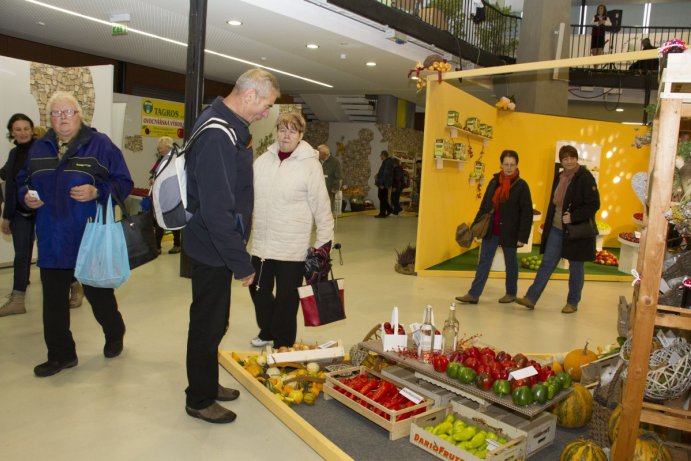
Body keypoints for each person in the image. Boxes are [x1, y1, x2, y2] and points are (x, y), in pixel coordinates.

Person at [183, 68, 280, 424]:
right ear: (251, 95)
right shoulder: (217, 135)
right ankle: (199, 398)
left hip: (214, 246)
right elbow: (216, 210)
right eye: (267, 105)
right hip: (212, 248)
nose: (266, 113)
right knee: (207, 323)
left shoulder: (224, 125)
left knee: (215, 320)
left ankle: (207, 383)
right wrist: (242, 263)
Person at [18, 91, 133, 377]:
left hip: (88, 236)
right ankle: (61, 355)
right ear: (49, 119)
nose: (62, 118)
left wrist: (98, 191)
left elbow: (124, 182)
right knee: (54, 302)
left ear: (79, 115)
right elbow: (22, 182)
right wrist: (25, 197)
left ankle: (114, 332)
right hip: (52, 237)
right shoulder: (38, 148)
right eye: (55, 114)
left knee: (99, 295)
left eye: (68, 112)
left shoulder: (100, 144)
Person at [249, 111, 333, 350]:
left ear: (301, 135)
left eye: (292, 130)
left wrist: (323, 246)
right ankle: (267, 330)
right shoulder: (263, 161)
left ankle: (283, 343)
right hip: (262, 245)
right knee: (258, 292)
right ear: (276, 131)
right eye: (282, 129)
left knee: (287, 300)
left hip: (292, 249)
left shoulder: (310, 166)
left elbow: (322, 208)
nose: (286, 135)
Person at [516, 145, 600, 314]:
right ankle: (531, 298)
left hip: (575, 231)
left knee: (576, 268)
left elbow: (594, 204)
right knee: (547, 263)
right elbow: (554, 203)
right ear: (561, 161)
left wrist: (574, 217)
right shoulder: (560, 176)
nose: (569, 162)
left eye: (572, 158)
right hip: (556, 228)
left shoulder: (585, 177)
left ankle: (572, 302)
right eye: (565, 159)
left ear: (577, 159)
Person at [456, 150, 533, 305]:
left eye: (512, 164)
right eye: (506, 164)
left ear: (516, 165)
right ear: (501, 165)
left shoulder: (522, 186)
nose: (509, 168)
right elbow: (484, 205)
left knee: (511, 263)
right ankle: (473, 294)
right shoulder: (494, 182)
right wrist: (475, 226)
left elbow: (527, 213)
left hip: (510, 232)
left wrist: (522, 237)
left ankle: (511, 293)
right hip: (491, 230)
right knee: (484, 261)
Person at [0, 114, 36, 316]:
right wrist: (7, 216)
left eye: (26, 128)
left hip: (44, 210)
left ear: (32, 130)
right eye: (18, 129)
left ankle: (75, 286)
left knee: (54, 251)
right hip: (20, 212)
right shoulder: (14, 154)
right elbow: (11, 186)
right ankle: (18, 297)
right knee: (21, 254)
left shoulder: (42, 150)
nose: (22, 132)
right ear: (11, 133)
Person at [150, 136, 181, 254]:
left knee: (172, 219)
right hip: (161, 194)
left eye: (160, 148)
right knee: (159, 219)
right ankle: (157, 246)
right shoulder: (162, 159)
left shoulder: (175, 159)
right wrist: (152, 179)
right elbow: (154, 173)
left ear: (167, 147)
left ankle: (176, 244)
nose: (159, 150)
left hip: (172, 195)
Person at [317, 144, 342, 208]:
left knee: (328, 208)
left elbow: (338, 177)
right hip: (318, 189)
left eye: (319, 152)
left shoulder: (335, 162)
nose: (317, 153)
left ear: (324, 153)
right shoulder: (317, 161)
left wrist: (335, 189)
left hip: (329, 190)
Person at [374, 150, 394, 218]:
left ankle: (382, 214)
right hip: (385, 183)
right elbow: (384, 173)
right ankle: (389, 210)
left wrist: (382, 183)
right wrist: (378, 175)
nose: (380, 156)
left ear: (383, 155)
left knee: (382, 197)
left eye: (381, 155)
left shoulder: (387, 162)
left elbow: (385, 174)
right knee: (382, 197)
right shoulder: (387, 162)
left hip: (384, 183)